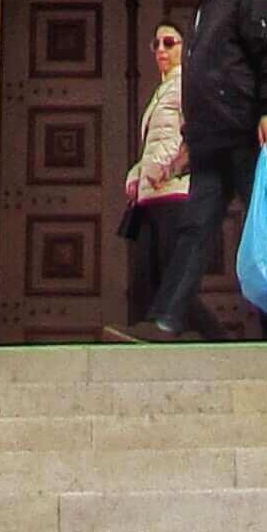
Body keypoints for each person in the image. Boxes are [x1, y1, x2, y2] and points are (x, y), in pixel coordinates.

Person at [109, 0, 267, 342]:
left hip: (247, 135)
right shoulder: (204, 9)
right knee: (194, 230)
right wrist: (189, 143)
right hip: (210, 144)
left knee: (263, 229)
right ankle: (166, 320)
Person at [117, 18, 188, 324]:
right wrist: (136, 174)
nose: (161, 49)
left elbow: (195, 136)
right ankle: (147, 333)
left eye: (169, 43)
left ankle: (222, 341)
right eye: (156, 44)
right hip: (150, 197)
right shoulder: (162, 91)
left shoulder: (189, 85)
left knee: (172, 280)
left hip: (173, 195)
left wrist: (167, 168)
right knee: (146, 277)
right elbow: (155, 144)